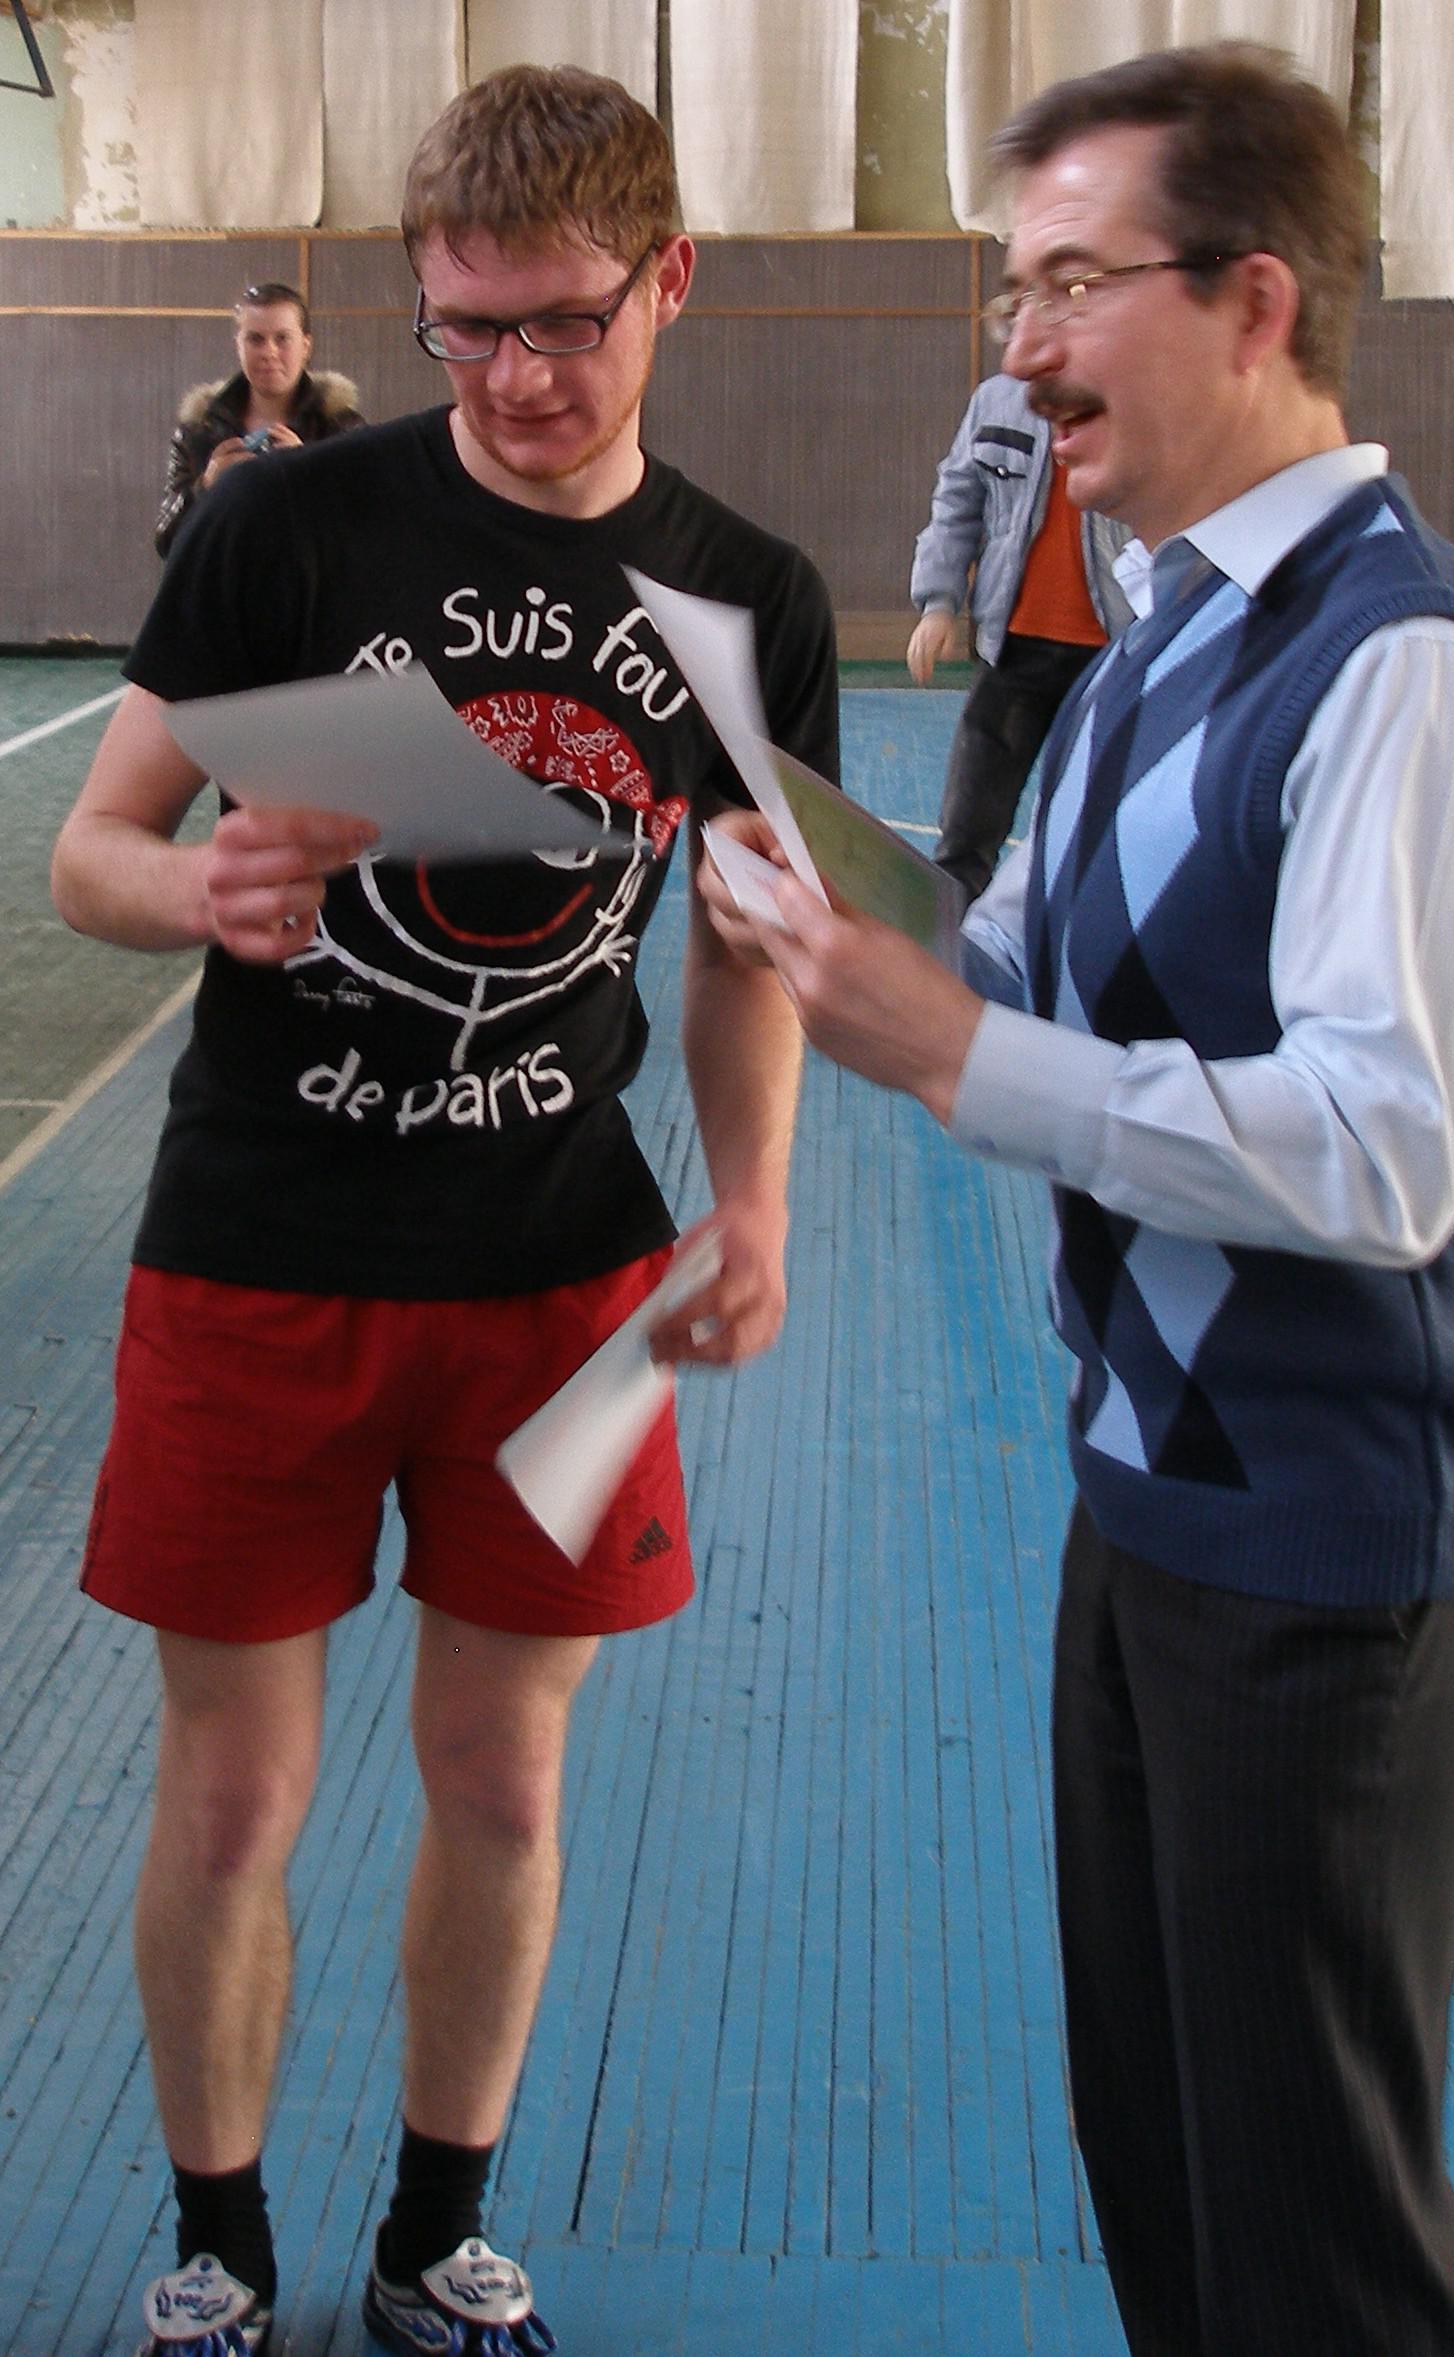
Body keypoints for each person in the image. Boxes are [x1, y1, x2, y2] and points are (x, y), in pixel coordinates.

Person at [701, 43, 1454, 2357]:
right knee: (1171, 2164)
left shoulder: (1410, 666)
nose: (1019, 346)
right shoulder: (1155, 637)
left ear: (1253, 299)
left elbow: (1384, 1144)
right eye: (1012, 290)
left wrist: (946, 1045)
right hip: (1157, 1500)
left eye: (1070, 283)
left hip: (1338, 1539)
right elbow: (1016, 958)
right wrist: (825, 897)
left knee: (1313, 2229)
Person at [53, 63, 836, 2357]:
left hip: (564, 1281)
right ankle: (218, 2242)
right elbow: (93, 849)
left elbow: (747, 948)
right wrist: (202, 886)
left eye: (562, 323)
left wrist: (756, 1201)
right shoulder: (289, 530)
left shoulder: (746, 601)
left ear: (669, 281)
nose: (511, 376)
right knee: (236, 1794)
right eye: (464, 326)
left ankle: (434, 2232)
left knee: (503, 1770)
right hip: (255, 1256)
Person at [908, 371, 1130, 899]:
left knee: (1097, 834)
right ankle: (952, 938)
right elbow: (956, 503)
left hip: (1114, 657)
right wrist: (938, 604)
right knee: (966, 833)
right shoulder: (997, 400)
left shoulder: (1134, 393)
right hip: (1009, 653)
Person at [154, 282, 364, 557]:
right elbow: (167, 543)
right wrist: (206, 487)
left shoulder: (343, 430)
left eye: (283, 338)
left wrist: (307, 477)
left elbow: (366, 537)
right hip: (226, 582)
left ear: (306, 345)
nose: (269, 352)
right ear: (238, 345)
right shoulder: (199, 431)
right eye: (255, 339)